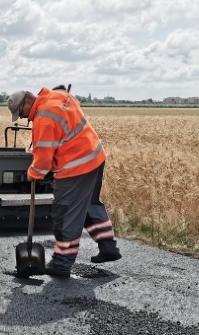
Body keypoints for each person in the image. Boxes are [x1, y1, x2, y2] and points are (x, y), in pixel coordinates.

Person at [7, 86, 122, 277]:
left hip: (76, 168)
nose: (23, 118)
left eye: (21, 113)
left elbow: (43, 160)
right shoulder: (58, 95)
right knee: (87, 205)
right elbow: (73, 106)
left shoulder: (43, 119)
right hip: (95, 156)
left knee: (66, 212)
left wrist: (32, 174)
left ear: (28, 102)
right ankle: (108, 246)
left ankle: (61, 264)